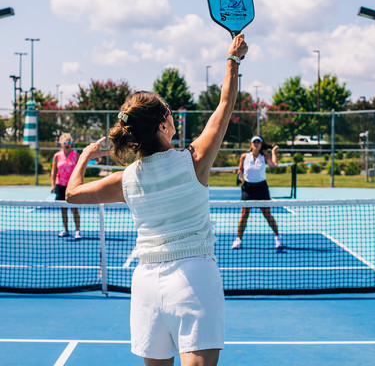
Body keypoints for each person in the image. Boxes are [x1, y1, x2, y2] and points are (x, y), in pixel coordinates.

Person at [65, 34, 248, 365]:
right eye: (170, 112)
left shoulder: (125, 180)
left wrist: (86, 155)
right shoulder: (194, 160)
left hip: (146, 287)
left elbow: (72, 194)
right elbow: (224, 104)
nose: (174, 117)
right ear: (164, 125)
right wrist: (232, 59)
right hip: (195, 280)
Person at [231, 136, 282, 250]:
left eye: (258, 142)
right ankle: (238, 239)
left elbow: (274, 165)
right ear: (251, 143)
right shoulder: (244, 156)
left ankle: (278, 237)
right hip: (248, 188)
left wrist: (274, 152)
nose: (256, 144)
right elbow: (240, 170)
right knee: (244, 215)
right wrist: (239, 177)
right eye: (254, 142)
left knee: (267, 215)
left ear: (261, 145)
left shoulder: (265, 157)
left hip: (261, 188)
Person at [51, 133, 81, 240]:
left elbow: (79, 171)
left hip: (72, 185)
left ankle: (77, 231)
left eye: (69, 142)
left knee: (74, 208)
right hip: (60, 185)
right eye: (65, 143)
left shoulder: (76, 155)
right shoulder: (57, 156)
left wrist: (79, 183)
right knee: (63, 209)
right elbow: (54, 171)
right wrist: (53, 185)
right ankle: (66, 229)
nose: (67, 145)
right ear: (61, 144)